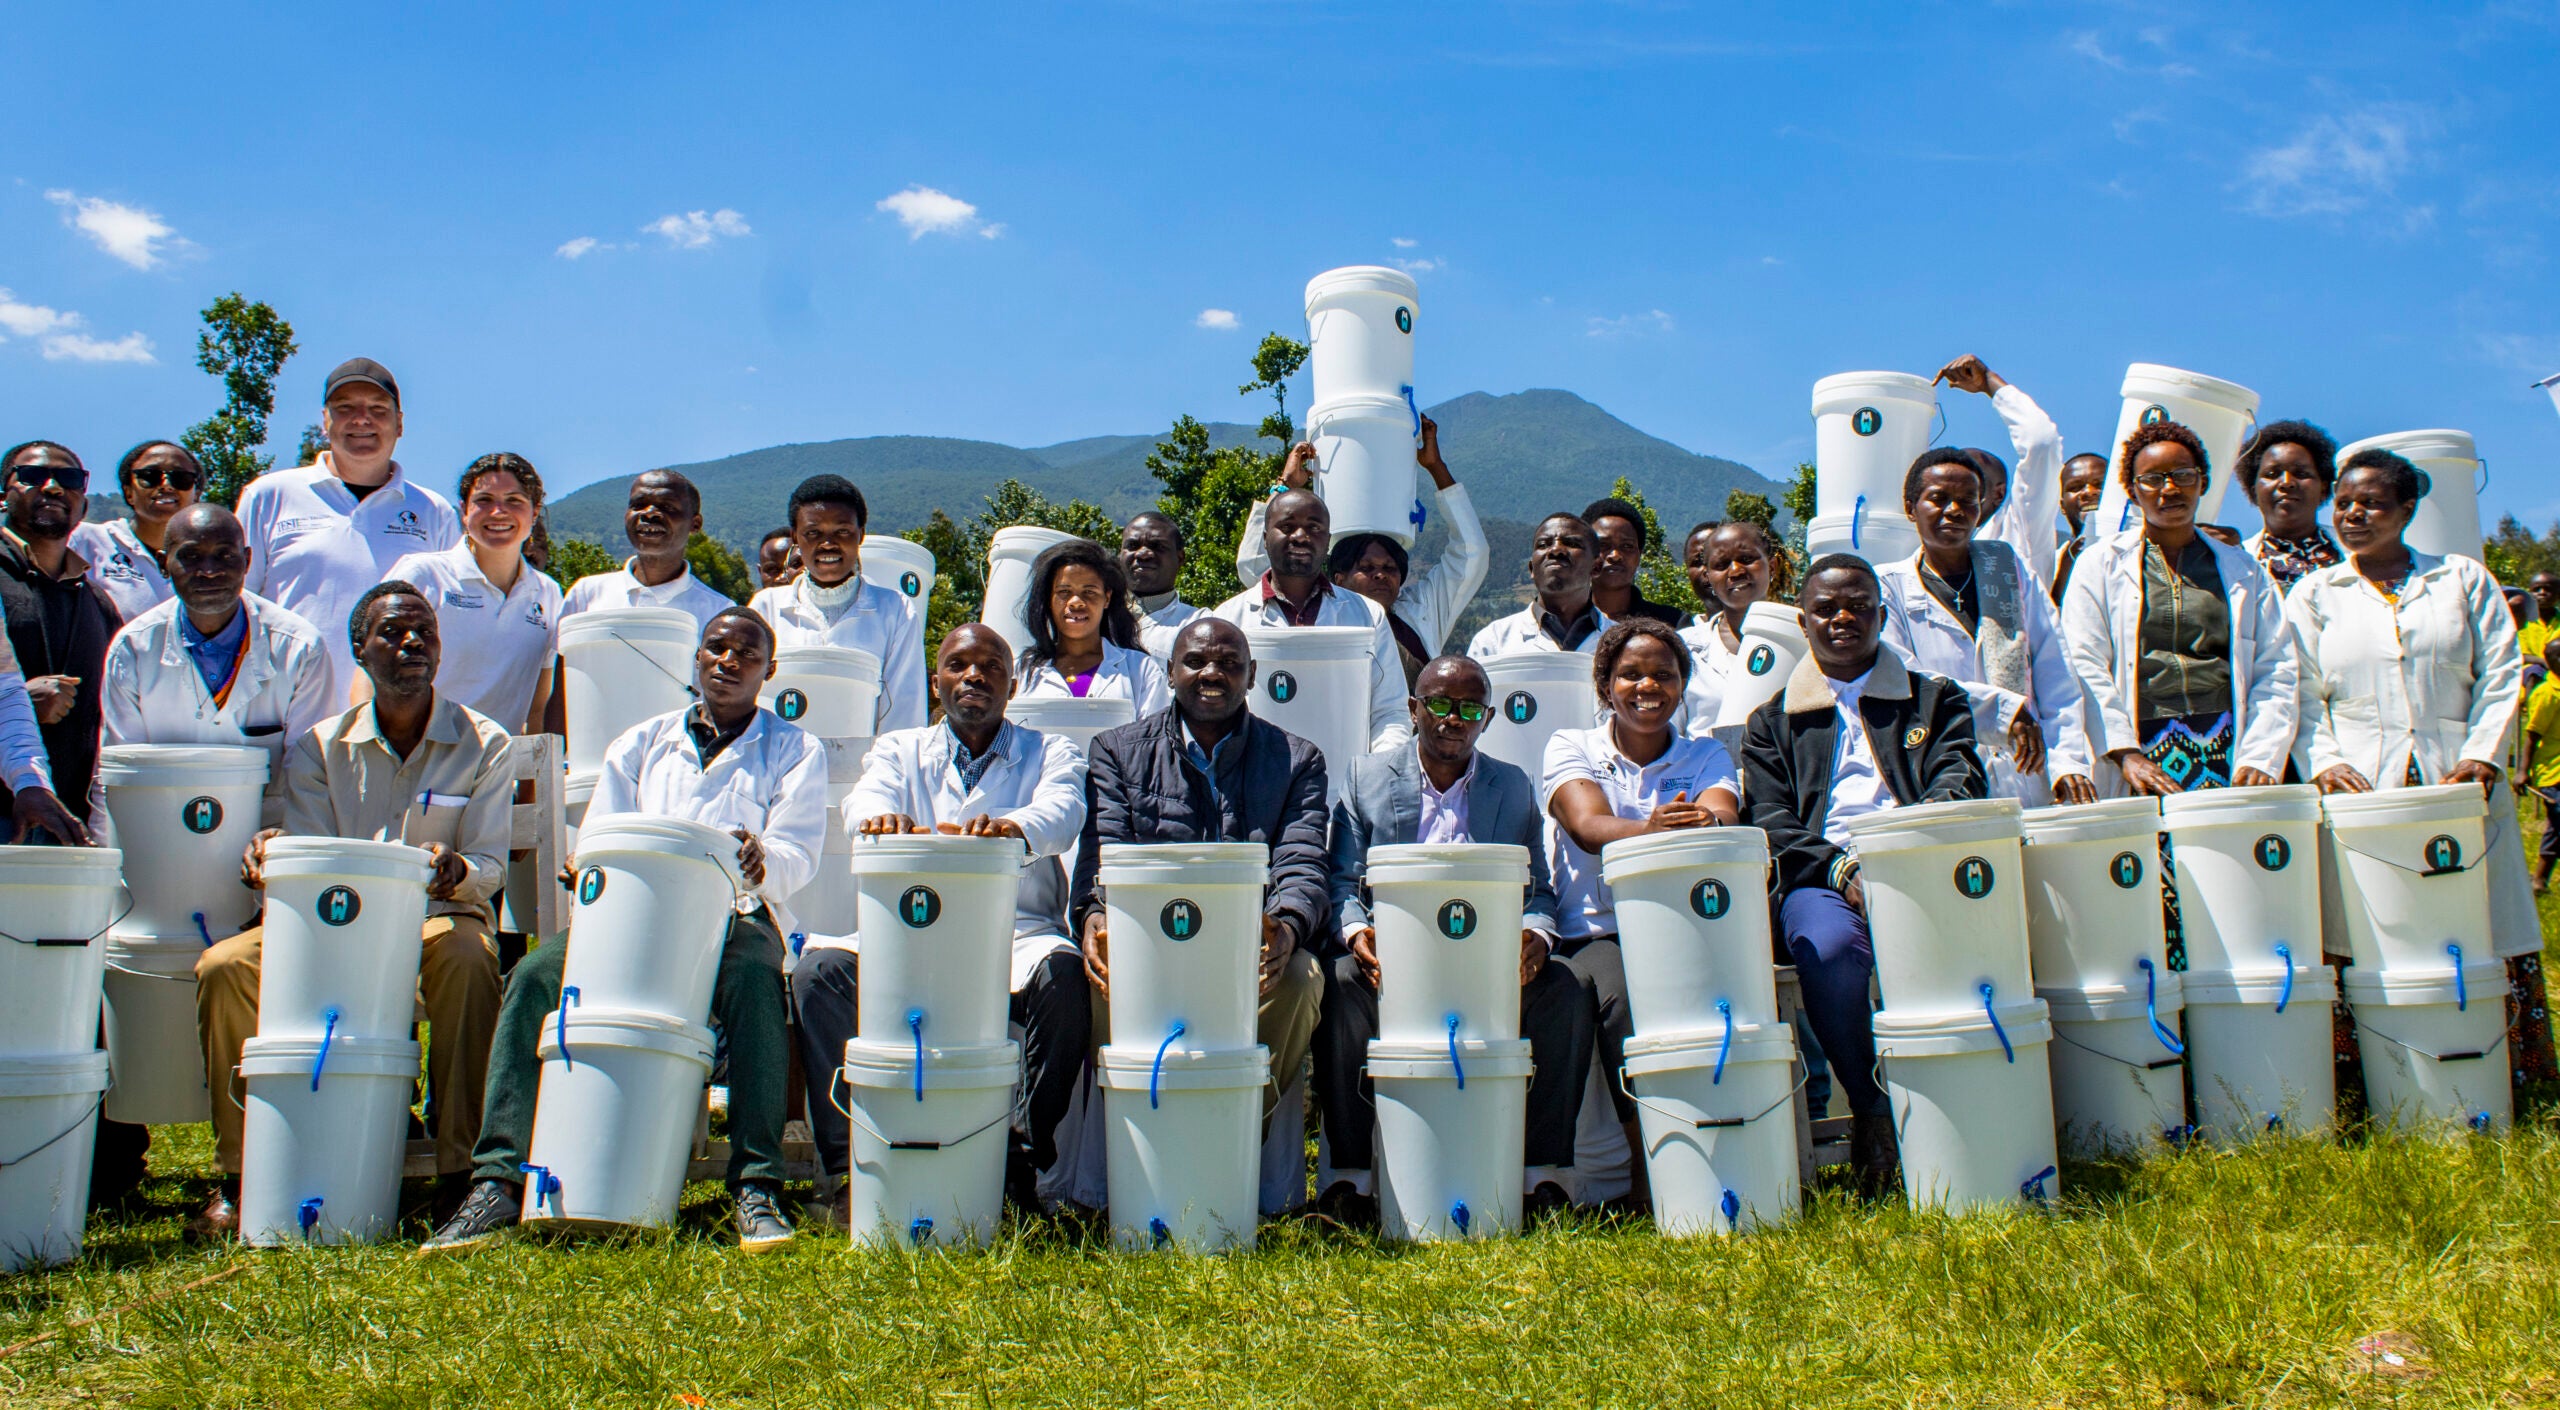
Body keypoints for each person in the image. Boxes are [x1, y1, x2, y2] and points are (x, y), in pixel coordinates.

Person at [424, 607, 826, 1255]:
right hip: (629, 918)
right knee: (532, 977)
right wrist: (587, 861)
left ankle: (756, 1184)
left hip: (733, 918)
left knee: (756, 981)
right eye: (715, 648)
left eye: (746, 654)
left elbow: (797, 853)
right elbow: (604, 836)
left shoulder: (793, 748)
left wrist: (761, 860)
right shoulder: (640, 743)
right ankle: (497, 1179)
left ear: (769, 671)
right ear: (695, 659)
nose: (728, 661)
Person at [192, 582, 512, 1236]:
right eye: (392, 634)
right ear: (359, 650)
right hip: (333, 925)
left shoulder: (484, 742)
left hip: (434, 917)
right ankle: (241, 1171)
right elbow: (312, 861)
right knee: (225, 966)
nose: (412, 643)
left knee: (466, 954)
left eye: (424, 631)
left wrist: (458, 870)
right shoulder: (318, 747)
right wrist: (271, 856)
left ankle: (461, 1171)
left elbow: (491, 866)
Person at [794, 624, 1092, 1221]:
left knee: (1065, 980)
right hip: (910, 937)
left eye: (990, 667)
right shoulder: (899, 749)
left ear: (1013, 685)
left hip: (1015, 935)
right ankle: (846, 1167)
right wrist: (880, 821)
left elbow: (1064, 809)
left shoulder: (1048, 750)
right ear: (937, 681)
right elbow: (865, 802)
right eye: (958, 665)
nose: (974, 677)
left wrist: (1014, 828)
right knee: (818, 975)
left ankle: (1019, 1159)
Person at [2285, 448, 2552, 1084]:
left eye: (2372, 503)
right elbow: (2300, 690)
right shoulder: (2317, 592)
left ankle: (2499, 1067)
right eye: (2344, 502)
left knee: (2473, 912)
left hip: (2456, 776)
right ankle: (2383, 1075)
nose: (2353, 514)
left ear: (2406, 510)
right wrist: (2324, 763)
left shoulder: (2461, 579)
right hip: (2362, 782)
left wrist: (2482, 755)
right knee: (2375, 917)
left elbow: (2500, 674)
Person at [1313, 655, 1598, 1222]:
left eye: (1469, 709)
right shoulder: (1366, 778)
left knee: (1565, 987)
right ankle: (1352, 1181)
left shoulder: (1511, 786)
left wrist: (1536, 935)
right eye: (1440, 705)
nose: (1452, 719)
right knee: (1340, 985)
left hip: (1486, 964)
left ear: (1487, 718)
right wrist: (1356, 933)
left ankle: (1542, 1178)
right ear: (1416, 709)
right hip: (1392, 964)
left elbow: (1537, 888)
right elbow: (1341, 881)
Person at [1740, 555, 1986, 1193]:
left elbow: (1959, 777)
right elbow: (1770, 818)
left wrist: (1904, 852)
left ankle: (1960, 1110)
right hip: (1823, 876)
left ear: (1881, 612)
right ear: (1803, 619)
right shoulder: (1772, 721)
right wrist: (1844, 869)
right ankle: (1872, 1105)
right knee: (1827, 949)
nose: (1843, 618)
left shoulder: (1934, 698)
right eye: (1826, 608)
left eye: (1859, 606)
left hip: (1921, 864)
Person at [2060, 419, 2298, 967]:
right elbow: (2085, 661)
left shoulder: (2242, 569)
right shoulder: (2099, 563)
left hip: (2225, 758)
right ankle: (2170, 1043)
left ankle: (2225, 1034)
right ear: (2133, 489)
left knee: (2228, 901)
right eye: (2153, 479)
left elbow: (2276, 667)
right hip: (2141, 761)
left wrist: (2259, 757)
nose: (2169, 489)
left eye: (2183, 476)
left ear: (2202, 481)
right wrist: (2123, 751)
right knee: (2149, 905)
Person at [1072, 618, 1328, 1116]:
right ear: (1170, 672)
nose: (1212, 672)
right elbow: (1103, 854)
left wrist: (1288, 926)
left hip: (1248, 943)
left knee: (1302, 975)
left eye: (1230, 664)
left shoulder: (1297, 760)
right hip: (1149, 939)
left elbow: (1303, 860)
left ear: (1252, 675)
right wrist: (1095, 915)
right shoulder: (1117, 752)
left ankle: (1235, 1123)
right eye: (1196, 661)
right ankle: (1140, 1124)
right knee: (1102, 965)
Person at [1541, 618, 1741, 1196]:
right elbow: (1585, 825)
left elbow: (1725, 812)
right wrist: (1652, 828)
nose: (1647, 686)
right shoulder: (1572, 745)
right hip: (1599, 931)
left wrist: (1708, 820)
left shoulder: (1706, 754)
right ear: (1606, 686)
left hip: (1690, 928)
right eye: (1630, 674)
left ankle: (1730, 1146)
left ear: (1682, 686)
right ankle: (1646, 1168)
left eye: (1663, 674)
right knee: (1625, 1002)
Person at [95, 504, 335, 831]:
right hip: (161, 835)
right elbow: (121, 767)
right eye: (191, 557)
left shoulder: (299, 647)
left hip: (264, 837)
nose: (209, 571)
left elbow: (308, 769)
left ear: (247, 560)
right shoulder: (135, 648)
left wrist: (286, 842)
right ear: (165, 562)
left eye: (225, 556)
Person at [237, 359, 462, 707]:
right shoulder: (269, 496)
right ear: (325, 421)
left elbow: (446, 625)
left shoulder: (434, 512)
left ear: (400, 423)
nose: (362, 419)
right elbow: (239, 605)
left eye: (377, 409)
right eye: (345, 409)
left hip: (393, 722)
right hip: (284, 712)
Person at [1878, 448, 2096, 805]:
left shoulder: (2009, 571)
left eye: (1968, 500)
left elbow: (2055, 673)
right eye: (1938, 499)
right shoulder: (1889, 587)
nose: (1954, 510)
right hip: (1943, 774)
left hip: (2029, 773)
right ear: (1909, 507)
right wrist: (2003, 711)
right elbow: (1907, 680)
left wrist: (2068, 763)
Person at [1235, 415, 1489, 683]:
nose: (1380, 575)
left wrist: (1436, 467)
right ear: (1339, 578)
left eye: (1389, 568)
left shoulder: (1419, 612)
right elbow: (1253, 564)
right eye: (1366, 568)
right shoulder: (1317, 612)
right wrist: (1285, 485)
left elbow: (1472, 554)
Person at [1209, 490, 1410, 753]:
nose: (1301, 537)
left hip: (1344, 784)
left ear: (1327, 541)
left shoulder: (1367, 615)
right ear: (1266, 539)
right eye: (1287, 527)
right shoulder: (1227, 618)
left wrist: (1373, 774)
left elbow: (1390, 711)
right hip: (1251, 785)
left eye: (1314, 528)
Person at [386, 454, 561, 733]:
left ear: (535, 512)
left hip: (501, 768)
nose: (498, 512)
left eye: (514, 500)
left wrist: (533, 775)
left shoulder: (548, 593)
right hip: (420, 762)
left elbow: (538, 706)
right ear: (464, 511)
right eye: (484, 500)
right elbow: (370, 674)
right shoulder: (424, 575)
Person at [2, 440, 122, 829]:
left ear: (84, 504)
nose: (53, 487)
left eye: (70, 479)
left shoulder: (98, 602)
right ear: (3, 495)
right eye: (34, 476)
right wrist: (22, 702)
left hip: (72, 820)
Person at [747, 475, 926, 736]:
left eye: (842, 531)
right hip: (778, 772)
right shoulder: (766, 608)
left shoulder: (896, 609)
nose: (828, 544)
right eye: (813, 533)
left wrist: (883, 774)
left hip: (862, 774)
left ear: (860, 535)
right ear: (795, 537)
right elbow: (748, 698)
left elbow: (904, 711)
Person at [1935, 355, 2065, 590]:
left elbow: (2040, 443)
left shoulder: (2021, 532)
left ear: (1998, 493)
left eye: (1971, 485)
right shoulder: (1918, 554)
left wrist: (1988, 382)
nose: (1953, 504)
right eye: (1942, 492)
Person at [555, 470, 736, 630]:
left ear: (695, 524)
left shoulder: (718, 611)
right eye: (638, 505)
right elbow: (562, 665)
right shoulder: (586, 594)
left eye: (667, 507)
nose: (649, 513)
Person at [1012, 538, 1170, 713]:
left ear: (1107, 598)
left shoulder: (1141, 669)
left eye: (1089, 592)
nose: (1076, 602)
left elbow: (1154, 736)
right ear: (1048, 599)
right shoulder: (1020, 670)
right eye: (1064, 592)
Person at [1677, 519, 1792, 733]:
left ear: (1773, 566)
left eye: (1747, 559)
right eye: (1721, 565)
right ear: (1709, 577)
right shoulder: (1683, 648)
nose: (1736, 570)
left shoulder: (1800, 639)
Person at [70, 440, 203, 622]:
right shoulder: (86, 540)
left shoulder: (210, 557)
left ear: (196, 494)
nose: (166, 485)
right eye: (150, 476)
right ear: (128, 492)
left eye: (181, 478)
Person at [1469, 514, 1612, 656]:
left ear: (1596, 567)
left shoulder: (1623, 643)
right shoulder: (1492, 642)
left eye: (1572, 544)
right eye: (1543, 545)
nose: (1555, 550)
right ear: (1532, 569)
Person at [2235, 421, 2344, 591]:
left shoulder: (2355, 551)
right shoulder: (2236, 559)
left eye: (2301, 474)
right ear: (2254, 491)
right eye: (2272, 474)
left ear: (2323, 488)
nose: (2286, 483)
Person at [1582, 496, 1689, 629]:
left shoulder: (1672, 622)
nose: (1615, 556)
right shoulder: (1565, 620)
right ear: (1585, 551)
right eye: (1603, 545)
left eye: (1627, 546)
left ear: (1640, 554)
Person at [1122, 511, 1204, 660]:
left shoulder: (1199, 624)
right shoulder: (1096, 616)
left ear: (1180, 558)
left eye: (1157, 546)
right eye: (1132, 545)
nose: (1143, 554)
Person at [2522, 640, 2560, 891]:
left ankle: (2540, 880)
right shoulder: (2548, 693)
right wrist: (2522, 771)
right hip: (2553, 773)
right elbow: (2532, 734)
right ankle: (2538, 878)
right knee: (2558, 825)